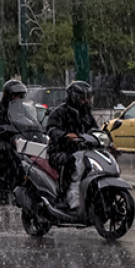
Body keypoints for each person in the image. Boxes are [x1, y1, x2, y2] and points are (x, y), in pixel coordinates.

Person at [45, 80, 98, 212]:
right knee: (67, 162)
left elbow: (95, 130)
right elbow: (51, 129)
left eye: (88, 97)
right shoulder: (60, 112)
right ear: (74, 97)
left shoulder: (87, 114)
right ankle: (61, 197)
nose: (86, 101)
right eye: (83, 97)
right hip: (60, 150)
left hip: (82, 151)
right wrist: (65, 135)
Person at [0, 80, 28, 197]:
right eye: (15, 95)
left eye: (20, 95)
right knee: (4, 149)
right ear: (7, 95)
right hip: (0, 141)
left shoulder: (21, 110)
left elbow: (30, 122)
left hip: (18, 141)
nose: (17, 98)